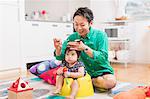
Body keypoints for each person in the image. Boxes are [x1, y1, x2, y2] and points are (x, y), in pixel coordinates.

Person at [53, 7, 116, 92]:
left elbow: (103, 57)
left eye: (82, 25)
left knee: (110, 82)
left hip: (102, 70)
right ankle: (87, 82)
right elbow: (60, 57)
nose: (78, 28)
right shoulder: (72, 37)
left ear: (90, 23)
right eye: (76, 24)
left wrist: (85, 48)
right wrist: (58, 48)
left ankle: (90, 82)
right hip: (81, 72)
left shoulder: (101, 35)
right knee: (59, 76)